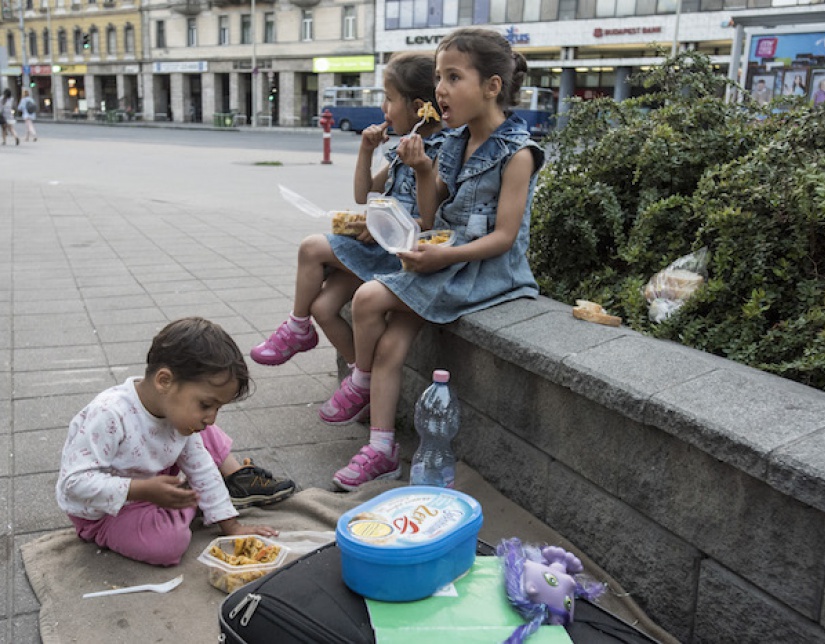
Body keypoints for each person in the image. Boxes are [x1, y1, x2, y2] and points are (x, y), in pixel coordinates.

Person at [326, 27, 545, 489]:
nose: (440, 89)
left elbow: (505, 238)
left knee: (367, 300)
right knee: (391, 343)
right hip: (443, 256)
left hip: (485, 269)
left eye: (452, 77)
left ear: (492, 87)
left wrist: (442, 258)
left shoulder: (518, 153)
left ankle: (360, 383)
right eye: (439, 77)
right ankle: (382, 447)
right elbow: (430, 213)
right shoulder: (454, 140)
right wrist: (424, 168)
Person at [249, 51, 445, 398]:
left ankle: (297, 328)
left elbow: (430, 220)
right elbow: (362, 194)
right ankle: (361, 381)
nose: (384, 109)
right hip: (376, 245)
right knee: (324, 308)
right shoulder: (402, 148)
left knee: (311, 247)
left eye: (388, 99)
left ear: (418, 107)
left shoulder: (439, 152)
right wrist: (366, 151)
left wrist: (389, 222)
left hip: (395, 255)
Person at [56, 317, 297, 566]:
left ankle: (213, 488)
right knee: (169, 545)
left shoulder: (174, 409)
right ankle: (189, 499)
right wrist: (142, 491)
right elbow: (73, 483)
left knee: (200, 434)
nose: (212, 418)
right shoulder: (108, 415)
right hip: (106, 512)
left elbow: (201, 467)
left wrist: (232, 526)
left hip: (156, 482)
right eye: (206, 404)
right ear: (164, 381)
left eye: (217, 408)